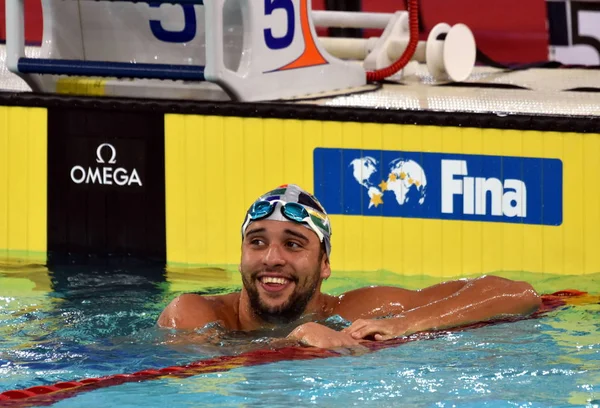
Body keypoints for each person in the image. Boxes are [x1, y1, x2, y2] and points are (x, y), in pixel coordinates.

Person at [158, 184, 541, 349]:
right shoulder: (193, 313)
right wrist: (291, 342)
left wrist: (401, 324)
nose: (272, 258)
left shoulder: (357, 311)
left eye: (293, 244)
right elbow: (193, 369)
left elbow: (517, 293)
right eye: (257, 241)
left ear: (325, 264)